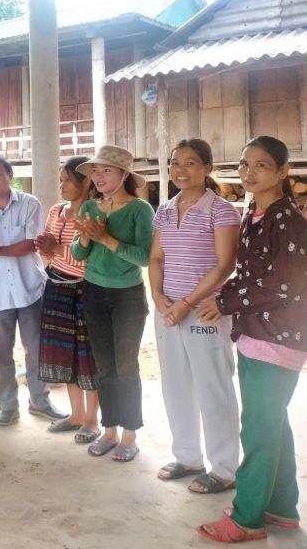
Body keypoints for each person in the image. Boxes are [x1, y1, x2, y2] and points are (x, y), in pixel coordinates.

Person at [196, 136, 307, 543]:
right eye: (244, 164)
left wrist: (224, 301)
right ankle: (280, 508)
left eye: (261, 165)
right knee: (271, 422)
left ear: (281, 172)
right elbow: (250, 274)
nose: (248, 172)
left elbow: (284, 284)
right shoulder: (254, 215)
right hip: (257, 334)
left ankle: (247, 518)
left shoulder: (288, 220)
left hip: (279, 337)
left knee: (258, 429)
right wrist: (229, 300)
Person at [149, 139, 240, 494]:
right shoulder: (165, 210)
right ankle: (188, 457)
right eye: (175, 163)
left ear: (207, 168)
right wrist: (158, 298)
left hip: (203, 311)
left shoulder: (221, 210)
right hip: (168, 311)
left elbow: (225, 265)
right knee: (176, 387)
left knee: (213, 388)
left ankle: (224, 469)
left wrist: (185, 302)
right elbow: (156, 258)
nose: (181, 170)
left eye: (190, 163)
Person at [0, 157, 65, 427]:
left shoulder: (30, 204)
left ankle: (40, 401)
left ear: (10, 174)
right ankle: (7, 406)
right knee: (0, 351)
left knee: (35, 348)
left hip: (29, 288)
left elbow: (32, 243)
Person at [70, 145, 153, 463]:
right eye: (95, 171)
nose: (98, 176)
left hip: (127, 296)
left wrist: (106, 238)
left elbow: (145, 258)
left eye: (106, 170)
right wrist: (87, 237)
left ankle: (130, 434)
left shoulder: (140, 210)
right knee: (104, 367)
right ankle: (110, 429)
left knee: (126, 367)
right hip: (93, 291)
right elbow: (78, 254)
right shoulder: (90, 208)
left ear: (124, 175)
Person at [34, 156, 99, 443]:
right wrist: (54, 252)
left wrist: (57, 250)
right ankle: (76, 415)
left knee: (88, 357)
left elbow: (89, 260)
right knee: (66, 355)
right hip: (56, 288)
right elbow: (44, 251)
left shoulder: (95, 213)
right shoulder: (56, 211)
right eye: (61, 180)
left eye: (68, 180)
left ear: (86, 181)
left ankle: (93, 420)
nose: (62, 186)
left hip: (86, 290)